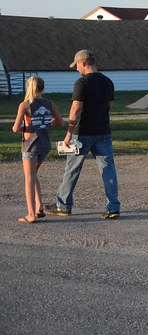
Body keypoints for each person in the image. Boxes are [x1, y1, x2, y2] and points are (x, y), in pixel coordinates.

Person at [47, 49, 121, 219]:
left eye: (77, 65)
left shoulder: (82, 83)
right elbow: (109, 106)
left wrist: (68, 134)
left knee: (72, 169)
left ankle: (63, 206)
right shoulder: (107, 82)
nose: (76, 69)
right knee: (108, 169)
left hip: (82, 133)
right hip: (103, 131)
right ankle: (113, 207)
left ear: (84, 63)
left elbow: (76, 109)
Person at [12, 76, 64, 223]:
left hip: (30, 144)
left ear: (28, 88)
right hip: (44, 144)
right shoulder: (50, 104)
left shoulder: (25, 105)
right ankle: (39, 207)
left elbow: (15, 128)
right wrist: (46, 123)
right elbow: (60, 122)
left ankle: (31, 214)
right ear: (43, 88)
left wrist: (25, 127)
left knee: (29, 178)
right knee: (33, 174)